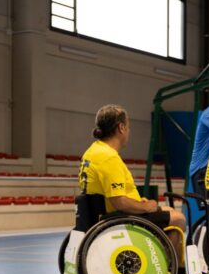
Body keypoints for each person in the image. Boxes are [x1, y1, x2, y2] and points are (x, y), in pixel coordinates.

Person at [79, 104, 186, 262]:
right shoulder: (108, 157)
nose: (129, 131)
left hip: (103, 214)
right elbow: (119, 202)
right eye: (128, 126)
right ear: (121, 128)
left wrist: (139, 202)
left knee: (169, 210)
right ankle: (164, 268)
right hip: (118, 218)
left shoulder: (93, 151)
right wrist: (145, 207)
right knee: (179, 219)